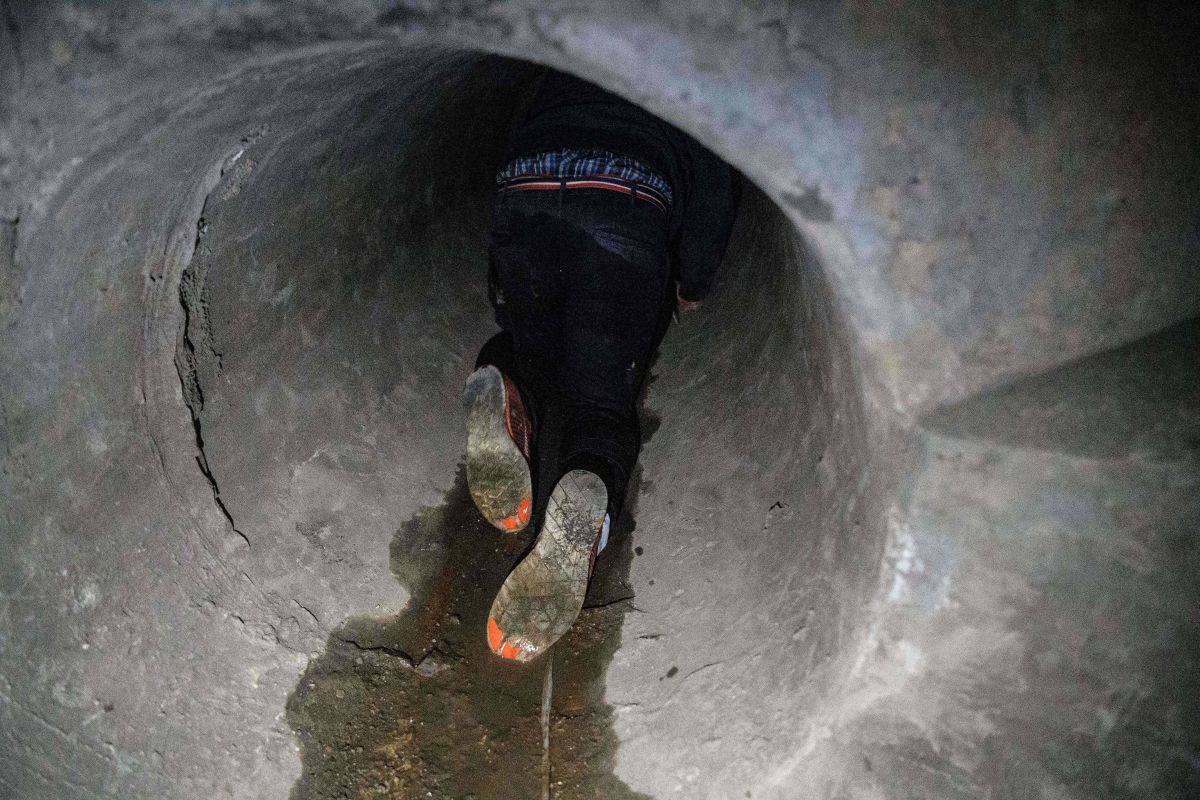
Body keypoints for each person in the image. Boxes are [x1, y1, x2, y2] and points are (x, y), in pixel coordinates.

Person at [463, 69, 738, 662]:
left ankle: (507, 389)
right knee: (598, 403)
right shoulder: (694, 64)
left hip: (527, 190)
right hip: (626, 205)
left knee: (535, 348)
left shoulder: (573, 47)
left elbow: (523, 126)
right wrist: (693, 281)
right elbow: (714, 183)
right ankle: (588, 500)